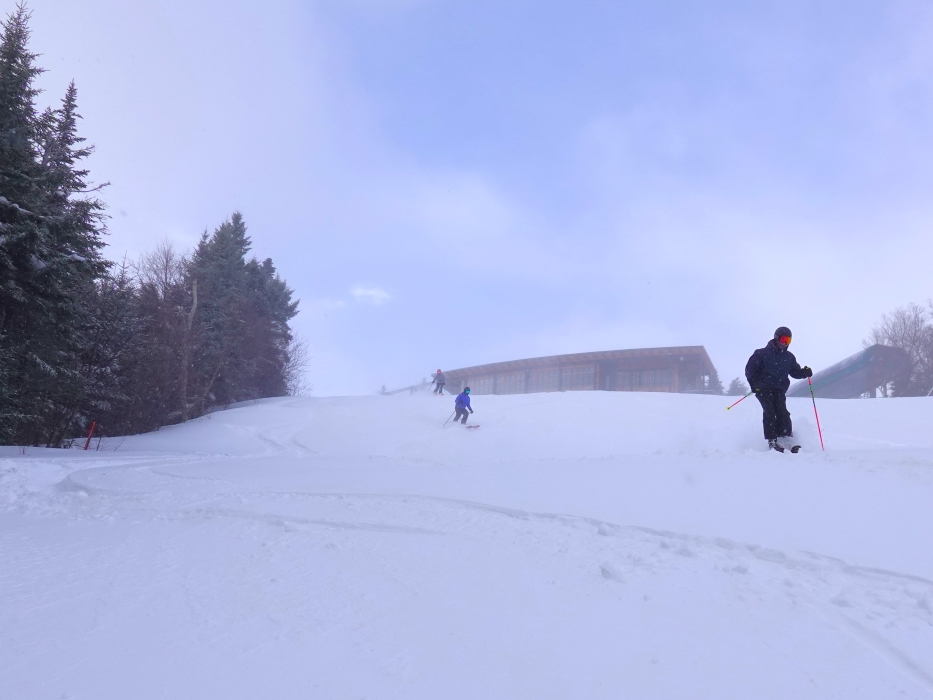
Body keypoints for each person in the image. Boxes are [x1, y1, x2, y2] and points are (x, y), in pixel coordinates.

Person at [745, 326, 813, 452]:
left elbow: (795, 372)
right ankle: (772, 440)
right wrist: (755, 385)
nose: (784, 343)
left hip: (779, 389)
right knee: (770, 412)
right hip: (763, 389)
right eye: (782, 339)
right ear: (776, 338)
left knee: (783, 412)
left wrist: (804, 373)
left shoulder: (789, 357)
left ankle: (786, 438)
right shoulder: (761, 354)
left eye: (788, 341)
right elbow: (750, 370)